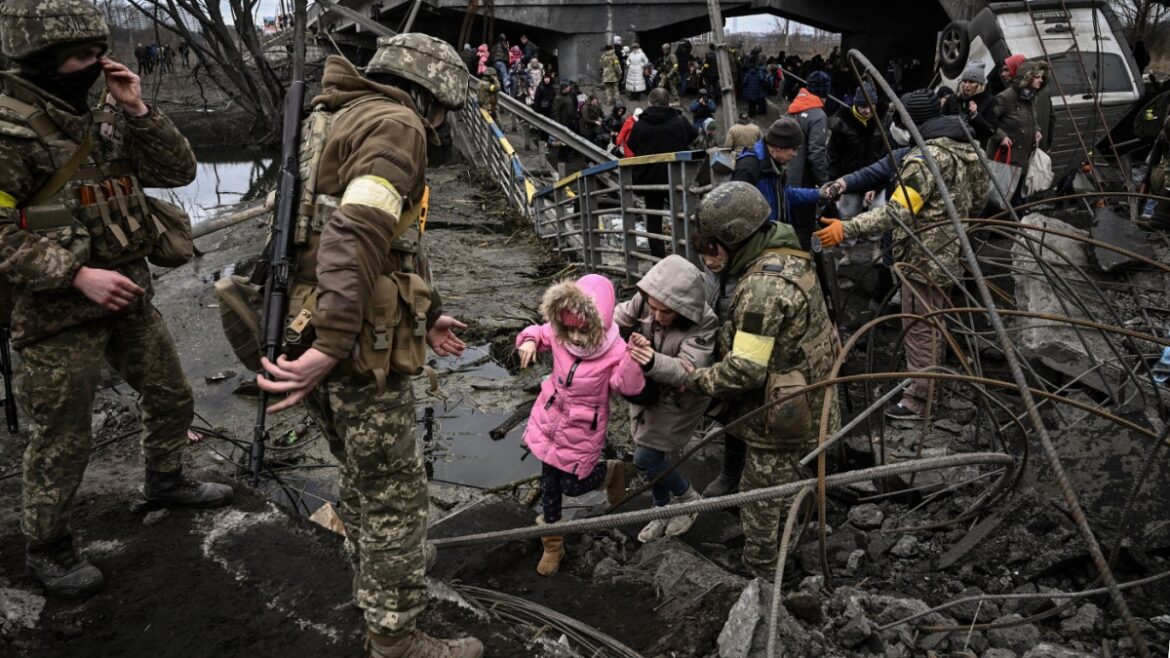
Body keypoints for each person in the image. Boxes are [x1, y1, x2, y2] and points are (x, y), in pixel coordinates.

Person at [253, 34, 482, 657]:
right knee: (395, 490)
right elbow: (356, 233)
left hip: (308, 316)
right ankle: (396, 639)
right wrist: (332, 342)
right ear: (432, 97)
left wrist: (427, 312)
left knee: (360, 467)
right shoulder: (396, 124)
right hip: (347, 337)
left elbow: (359, 236)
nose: (439, 126)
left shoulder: (329, 115)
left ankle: (377, 559)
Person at [0, 0, 232, 599]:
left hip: (128, 292)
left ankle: (165, 481)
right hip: (56, 312)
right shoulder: (10, 129)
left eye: (98, 52)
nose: (96, 65)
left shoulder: (107, 109)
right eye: (81, 57)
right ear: (44, 60)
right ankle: (48, 548)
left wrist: (138, 108)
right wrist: (76, 274)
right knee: (62, 433)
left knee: (170, 393)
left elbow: (179, 171)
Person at [684, 182, 839, 578]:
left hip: (787, 411)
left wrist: (695, 380)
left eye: (712, 247)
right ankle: (797, 534)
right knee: (794, 477)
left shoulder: (761, 289)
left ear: (734, 239)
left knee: (760, 492)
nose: (708, 257)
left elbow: (746, 370)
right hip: (814, 394)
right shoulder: (788, 250)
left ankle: (764, 572)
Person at [815, 89, 989, 420]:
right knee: (936, 323)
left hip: (922, 257)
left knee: (920, 328)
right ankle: (932, 386)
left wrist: (846, 229)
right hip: (952, 254)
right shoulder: (967, 148)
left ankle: (918, 403)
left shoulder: (925, 160)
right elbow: (980, 201)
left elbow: (896, 213)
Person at [516, 274, 646, 575]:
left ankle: (612, 472)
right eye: (568, 328)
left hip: (582, 431)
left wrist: (633, 359)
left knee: (573, 486)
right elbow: (537, 331)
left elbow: (627, 387)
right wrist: (530, 340)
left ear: (597, 322)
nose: (574, 337)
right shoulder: (561, 332)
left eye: (582, 329)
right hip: (548, 422)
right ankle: (553, 545)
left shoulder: (615, 350)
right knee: (549, 483)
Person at [614, 256, 719, 543]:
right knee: (652, 457)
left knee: (646, 457)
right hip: (646, 390)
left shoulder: (705, 322)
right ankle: (661, 509)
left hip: (679, 399)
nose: (657, 316)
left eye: (666, 312)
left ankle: (689, 501)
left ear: (683, 308)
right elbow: (614, 320)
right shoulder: (645, 299)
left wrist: (651, 360)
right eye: (654, 308)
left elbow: (689, 369)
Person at [627, 88, 698, 257]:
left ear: (649, 103)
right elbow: (693, 135)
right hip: (677, 177)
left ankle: (658, 258)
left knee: (654, 220)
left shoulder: (640, 125)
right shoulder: (679, 120)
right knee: (682, 215)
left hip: (650, 180)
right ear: (668, 103)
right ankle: (685, 255)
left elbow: (631, 145)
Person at [730, 117, 822, 247]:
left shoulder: (774, 164)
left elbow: (784, 195)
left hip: (774, 239)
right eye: (793, 149)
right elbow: (738, 213)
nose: (795, 154)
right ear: (779, 148)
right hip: (761, 245)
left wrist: (818, 193)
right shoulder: (749, 168)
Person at [989, 60, 1045, 206]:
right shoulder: (1005, 97)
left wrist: (1036, 130)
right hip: (1006, 162)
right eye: (1038, 77)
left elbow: (1030, 119)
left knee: (1018, 202)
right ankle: (988, 228)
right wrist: (1001, 136)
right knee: (997, 203)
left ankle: (1009, 227)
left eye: (1042, 77)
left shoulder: (1031, 97)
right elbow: (988, 121)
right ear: (1028, 77)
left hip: (1023, 160)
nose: (1041, 80)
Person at [827, 82, 883, 220]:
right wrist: (836, 182)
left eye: (871, 106)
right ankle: (846, 242)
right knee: (847, 216)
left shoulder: (882, 122)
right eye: (863, 106)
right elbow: (833, 155)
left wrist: (879, 184)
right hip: (849, 179)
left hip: (876, 179)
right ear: (856, 104)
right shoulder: (841, 124)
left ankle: (873, 242)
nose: (867, 111)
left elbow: (885, 154)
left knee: (877, 217)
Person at [941, 61, 997, 143]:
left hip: (974, 149)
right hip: (950, 143)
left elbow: (990, 131)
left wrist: (975, 115)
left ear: (979, 84)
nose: (967, 85)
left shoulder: (990, 101)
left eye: (971, 82)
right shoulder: (952, 99)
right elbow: (941, 120)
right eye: (965, 81)